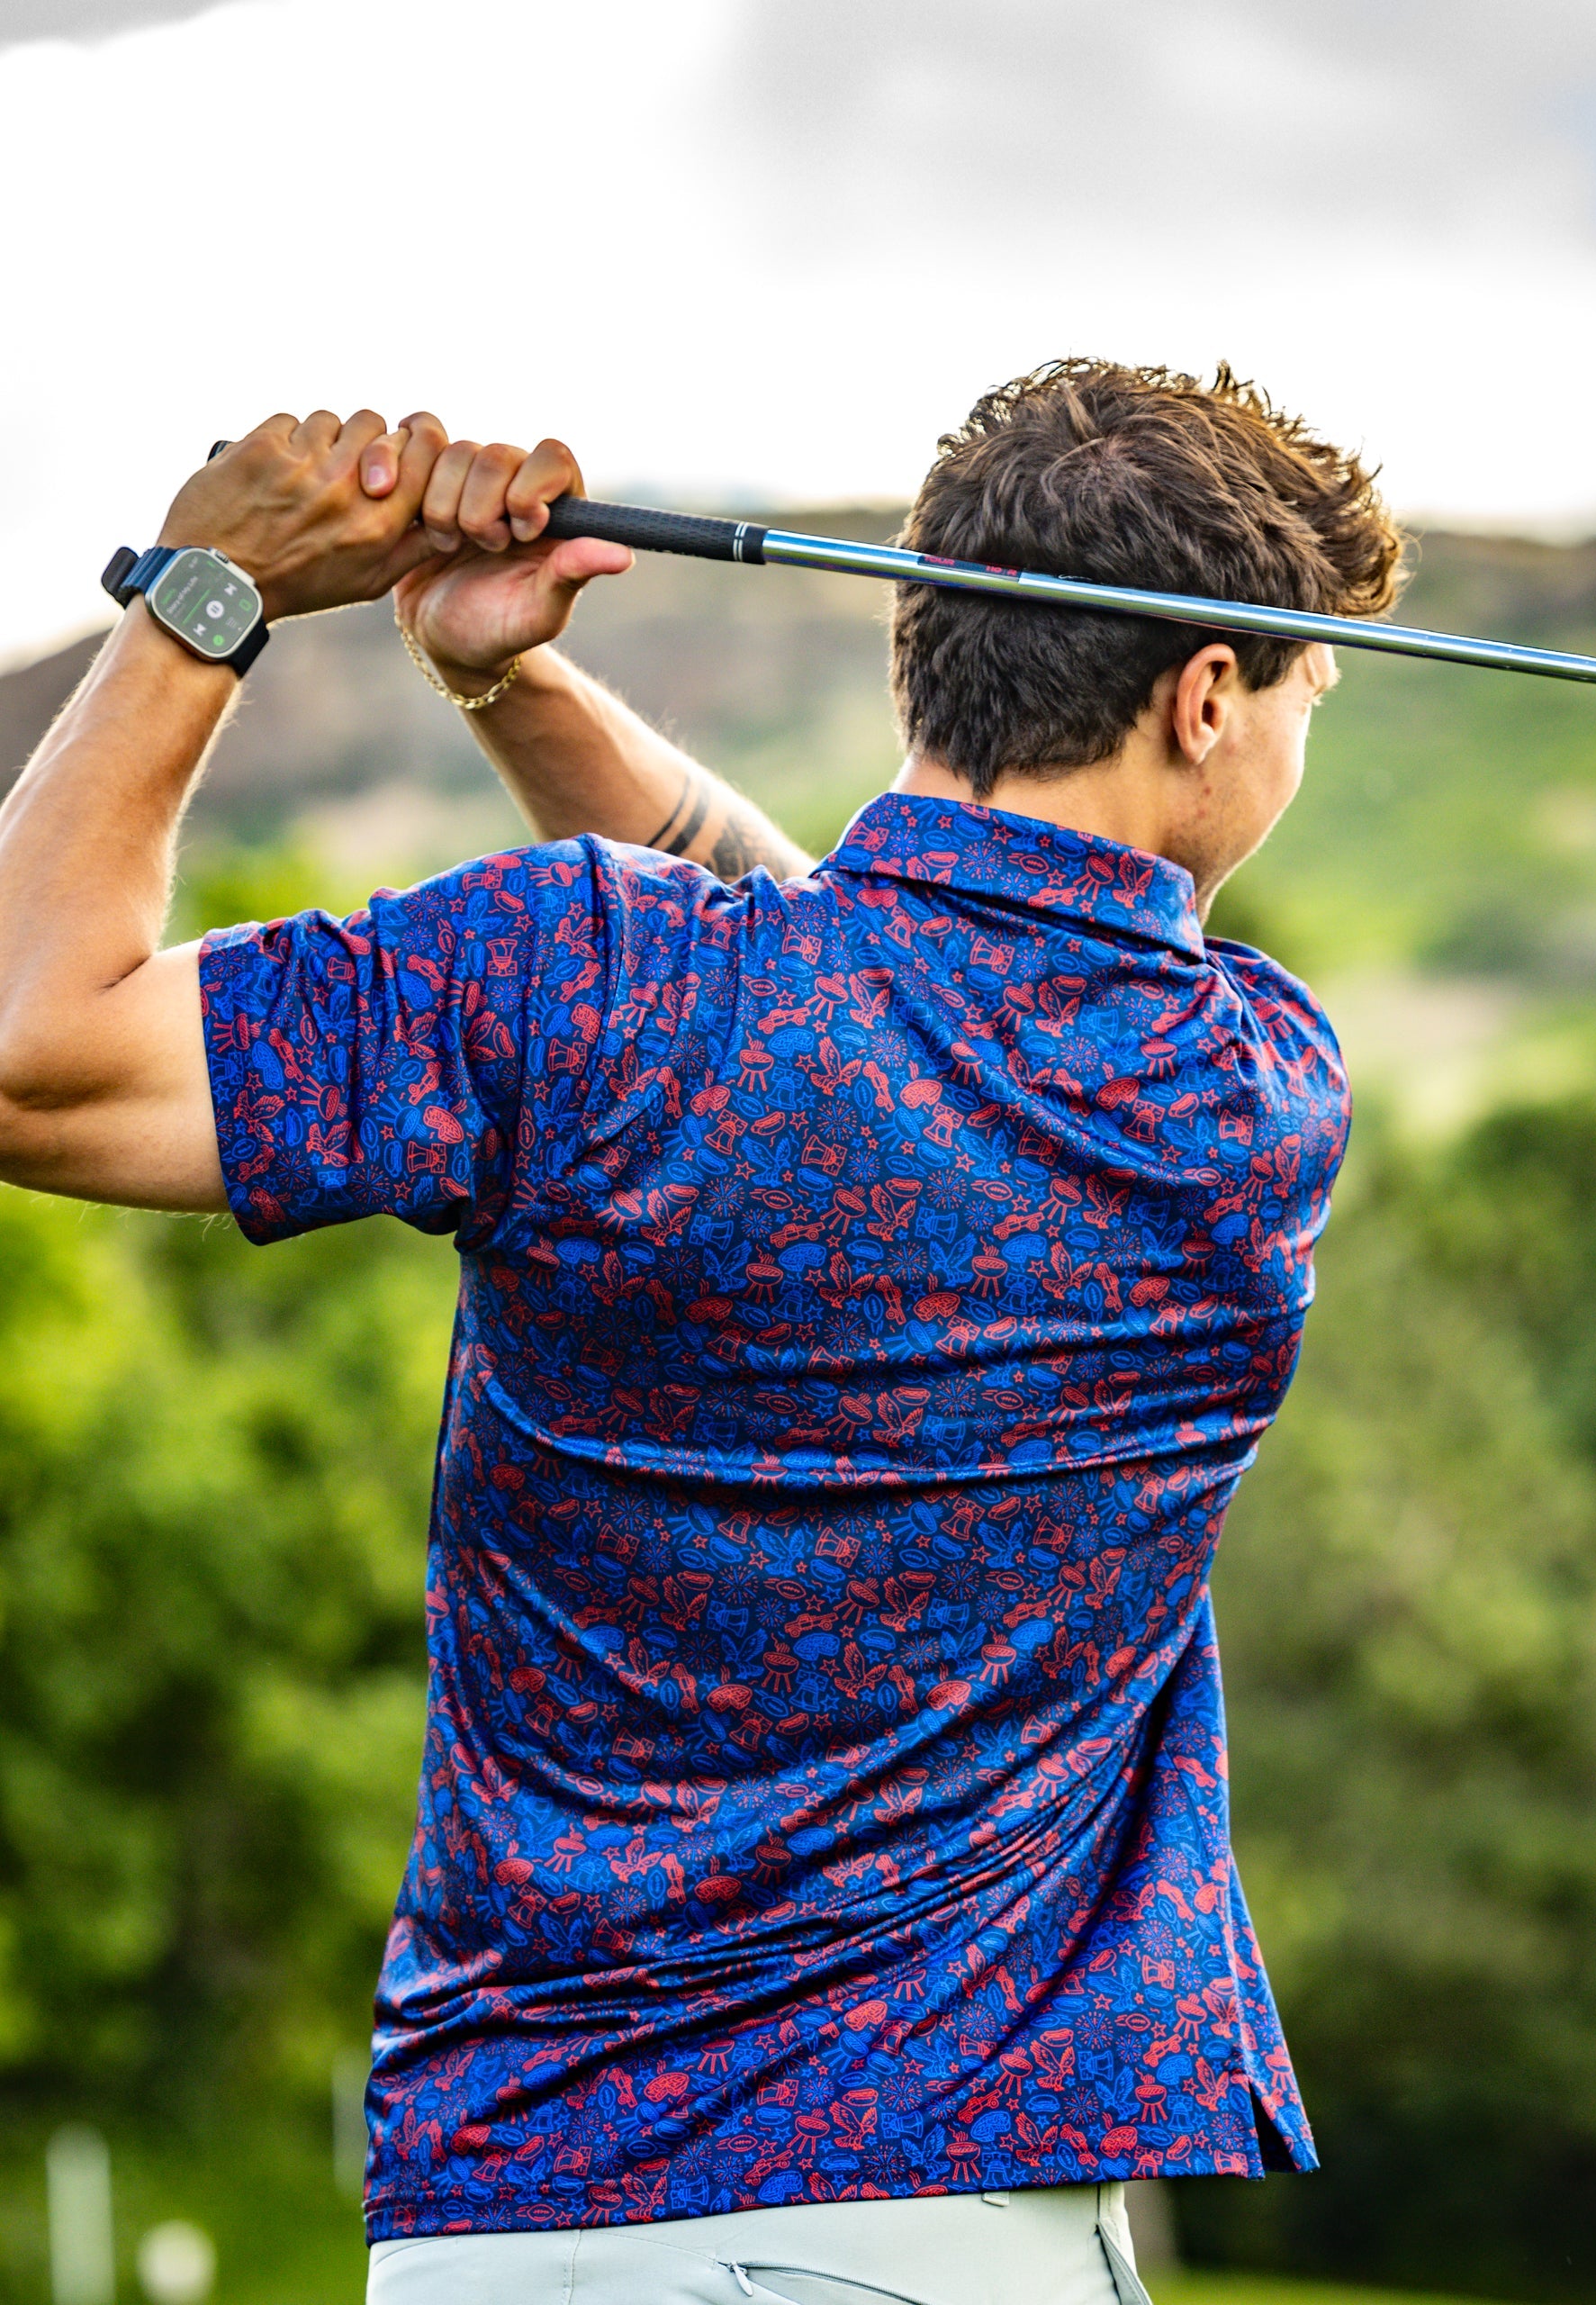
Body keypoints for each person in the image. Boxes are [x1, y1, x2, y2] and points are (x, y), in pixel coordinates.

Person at [0, 361, 1399, 2305]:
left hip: (509, 2230)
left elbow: (28, 1048)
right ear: (1206, 698)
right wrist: (509, 683)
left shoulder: (590, 988)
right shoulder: (1247, 1098)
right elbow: (865, 980)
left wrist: (206, 594)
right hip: (938, 2229)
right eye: (1310, 694)